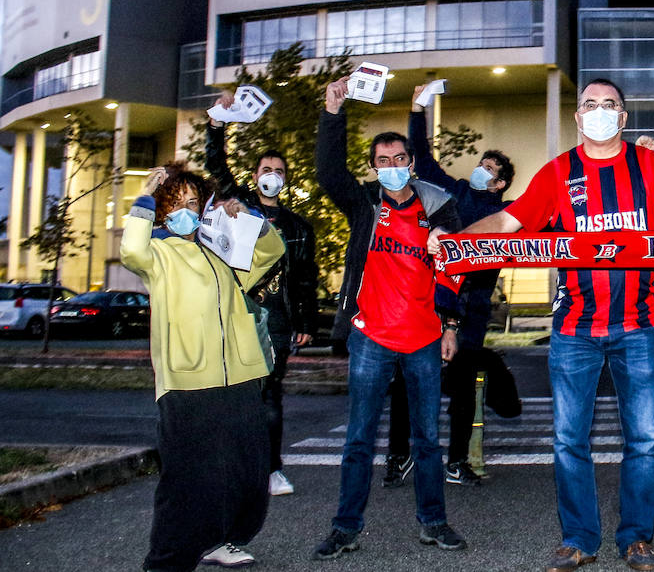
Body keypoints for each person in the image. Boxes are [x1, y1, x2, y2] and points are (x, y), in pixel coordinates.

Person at [439, 78, 654, 572]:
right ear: (578, 118)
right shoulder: (558, 173)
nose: (599, 112)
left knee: (643, 441)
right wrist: (456, 240)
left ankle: (637, 538)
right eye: (590, 105)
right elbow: (508, 223)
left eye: (610, 105)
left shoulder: (651, 166)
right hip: (574, 329)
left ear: (623, 118)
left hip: (639, 327)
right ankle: (578, 538)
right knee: (568, 441)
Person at [312, 77, 468, 559]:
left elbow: (457, 267)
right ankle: (345, 527)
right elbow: (327, 173)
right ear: (374, 168)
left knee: (426, 439)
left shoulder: (441, 207)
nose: (392, 168)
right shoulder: (363, 204)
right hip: (371, 340)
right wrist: (332, 115)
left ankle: (434, 522)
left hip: (423, 339)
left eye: (400, 160)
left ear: (411, 162)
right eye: (383, 162)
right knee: (359, 440)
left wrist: (451, 326)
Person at [121, 163, 284, 572]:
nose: (187, 210)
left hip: (242, 376)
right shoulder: (158, 255)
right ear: (161, 213)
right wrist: (144, 196)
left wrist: (247, 220)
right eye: (175, 203)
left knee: (248, 475)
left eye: (193, 201)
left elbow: (271, 253)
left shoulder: (221, 247)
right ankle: (166, 562)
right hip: (188, 383)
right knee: (186, 482)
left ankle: (221, 538)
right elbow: (131, 251)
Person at [384, 84, 516, 487]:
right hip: (430, 302)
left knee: (462, 388)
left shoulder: (508, 215)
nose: (482, 169)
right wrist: (417, 109)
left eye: (490, 169)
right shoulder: (455, 191)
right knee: (406, 382)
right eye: (482, 162)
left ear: (499, 185)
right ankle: (398, 455)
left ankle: (457, 461)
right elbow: (421, 160)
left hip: (472, 310)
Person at [206, 94, 319, 497]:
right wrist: (216, 126)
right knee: (234, 392)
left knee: (271, 394)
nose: (272, 174)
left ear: (286, 178)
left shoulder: (299, 226)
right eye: (266, 169)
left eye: (279, 170)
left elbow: (306, 276)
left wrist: (306, 322)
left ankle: (271, 468)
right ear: (255, 175)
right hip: (237, 314)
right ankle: (234, 465)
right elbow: (215, 167)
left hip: (278, 319)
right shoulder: (240, 207)